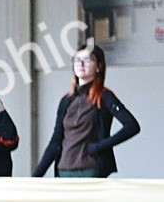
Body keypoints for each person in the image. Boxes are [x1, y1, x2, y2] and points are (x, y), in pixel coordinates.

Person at [32, 44, 140, 178]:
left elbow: (132, 126)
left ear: (98, 67)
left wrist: (99, 146)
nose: (81, 64)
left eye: (88, 60)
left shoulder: (104, 97)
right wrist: (36, 176)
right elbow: (55, 141)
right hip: (63, 170)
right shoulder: (66, 100)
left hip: (90, 170)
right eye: (77, 60)